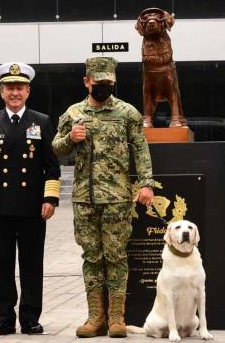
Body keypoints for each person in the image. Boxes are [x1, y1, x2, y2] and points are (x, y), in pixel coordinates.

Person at [52, 56, 156, 338]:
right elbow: (56, 148)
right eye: (99, 83)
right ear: (87, 81)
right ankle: (95, 317)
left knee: (116, 256)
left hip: (117, 198)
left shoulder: (127, 113)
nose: (104, 88)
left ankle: (116, 318)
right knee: (92, 257)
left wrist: (146, 183)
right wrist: (70, 139)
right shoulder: (73, 113)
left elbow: (140, 149)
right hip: (85, 199)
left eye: (109, 83)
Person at [0, 62, 61, 336]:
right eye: (10, 87)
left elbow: (51, 166)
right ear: (1, 91)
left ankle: (31, 318)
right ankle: (5, 317)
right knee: (1, 266)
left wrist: (51, 198)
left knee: (32, 265)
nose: (15, 92)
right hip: (0, 207)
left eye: (20, 87)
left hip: (33, 207)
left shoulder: (42, 121)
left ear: (28, 91)